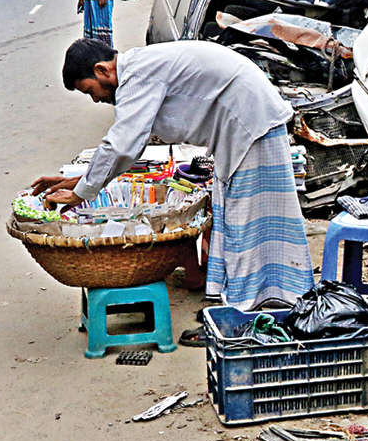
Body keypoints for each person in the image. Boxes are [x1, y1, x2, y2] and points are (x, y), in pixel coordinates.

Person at [33, 39, 314, 326]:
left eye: (90, 91)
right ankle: (252, 295)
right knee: (240, 214)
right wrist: (80, 181)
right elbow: (127, 145)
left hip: (250, 121)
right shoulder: (138, 70)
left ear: (102, 70)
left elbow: (122, 144)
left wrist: (81, 193)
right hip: (242, 122)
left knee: (250, 215)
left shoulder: (137, 76)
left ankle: (256, 302)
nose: (95, 99)